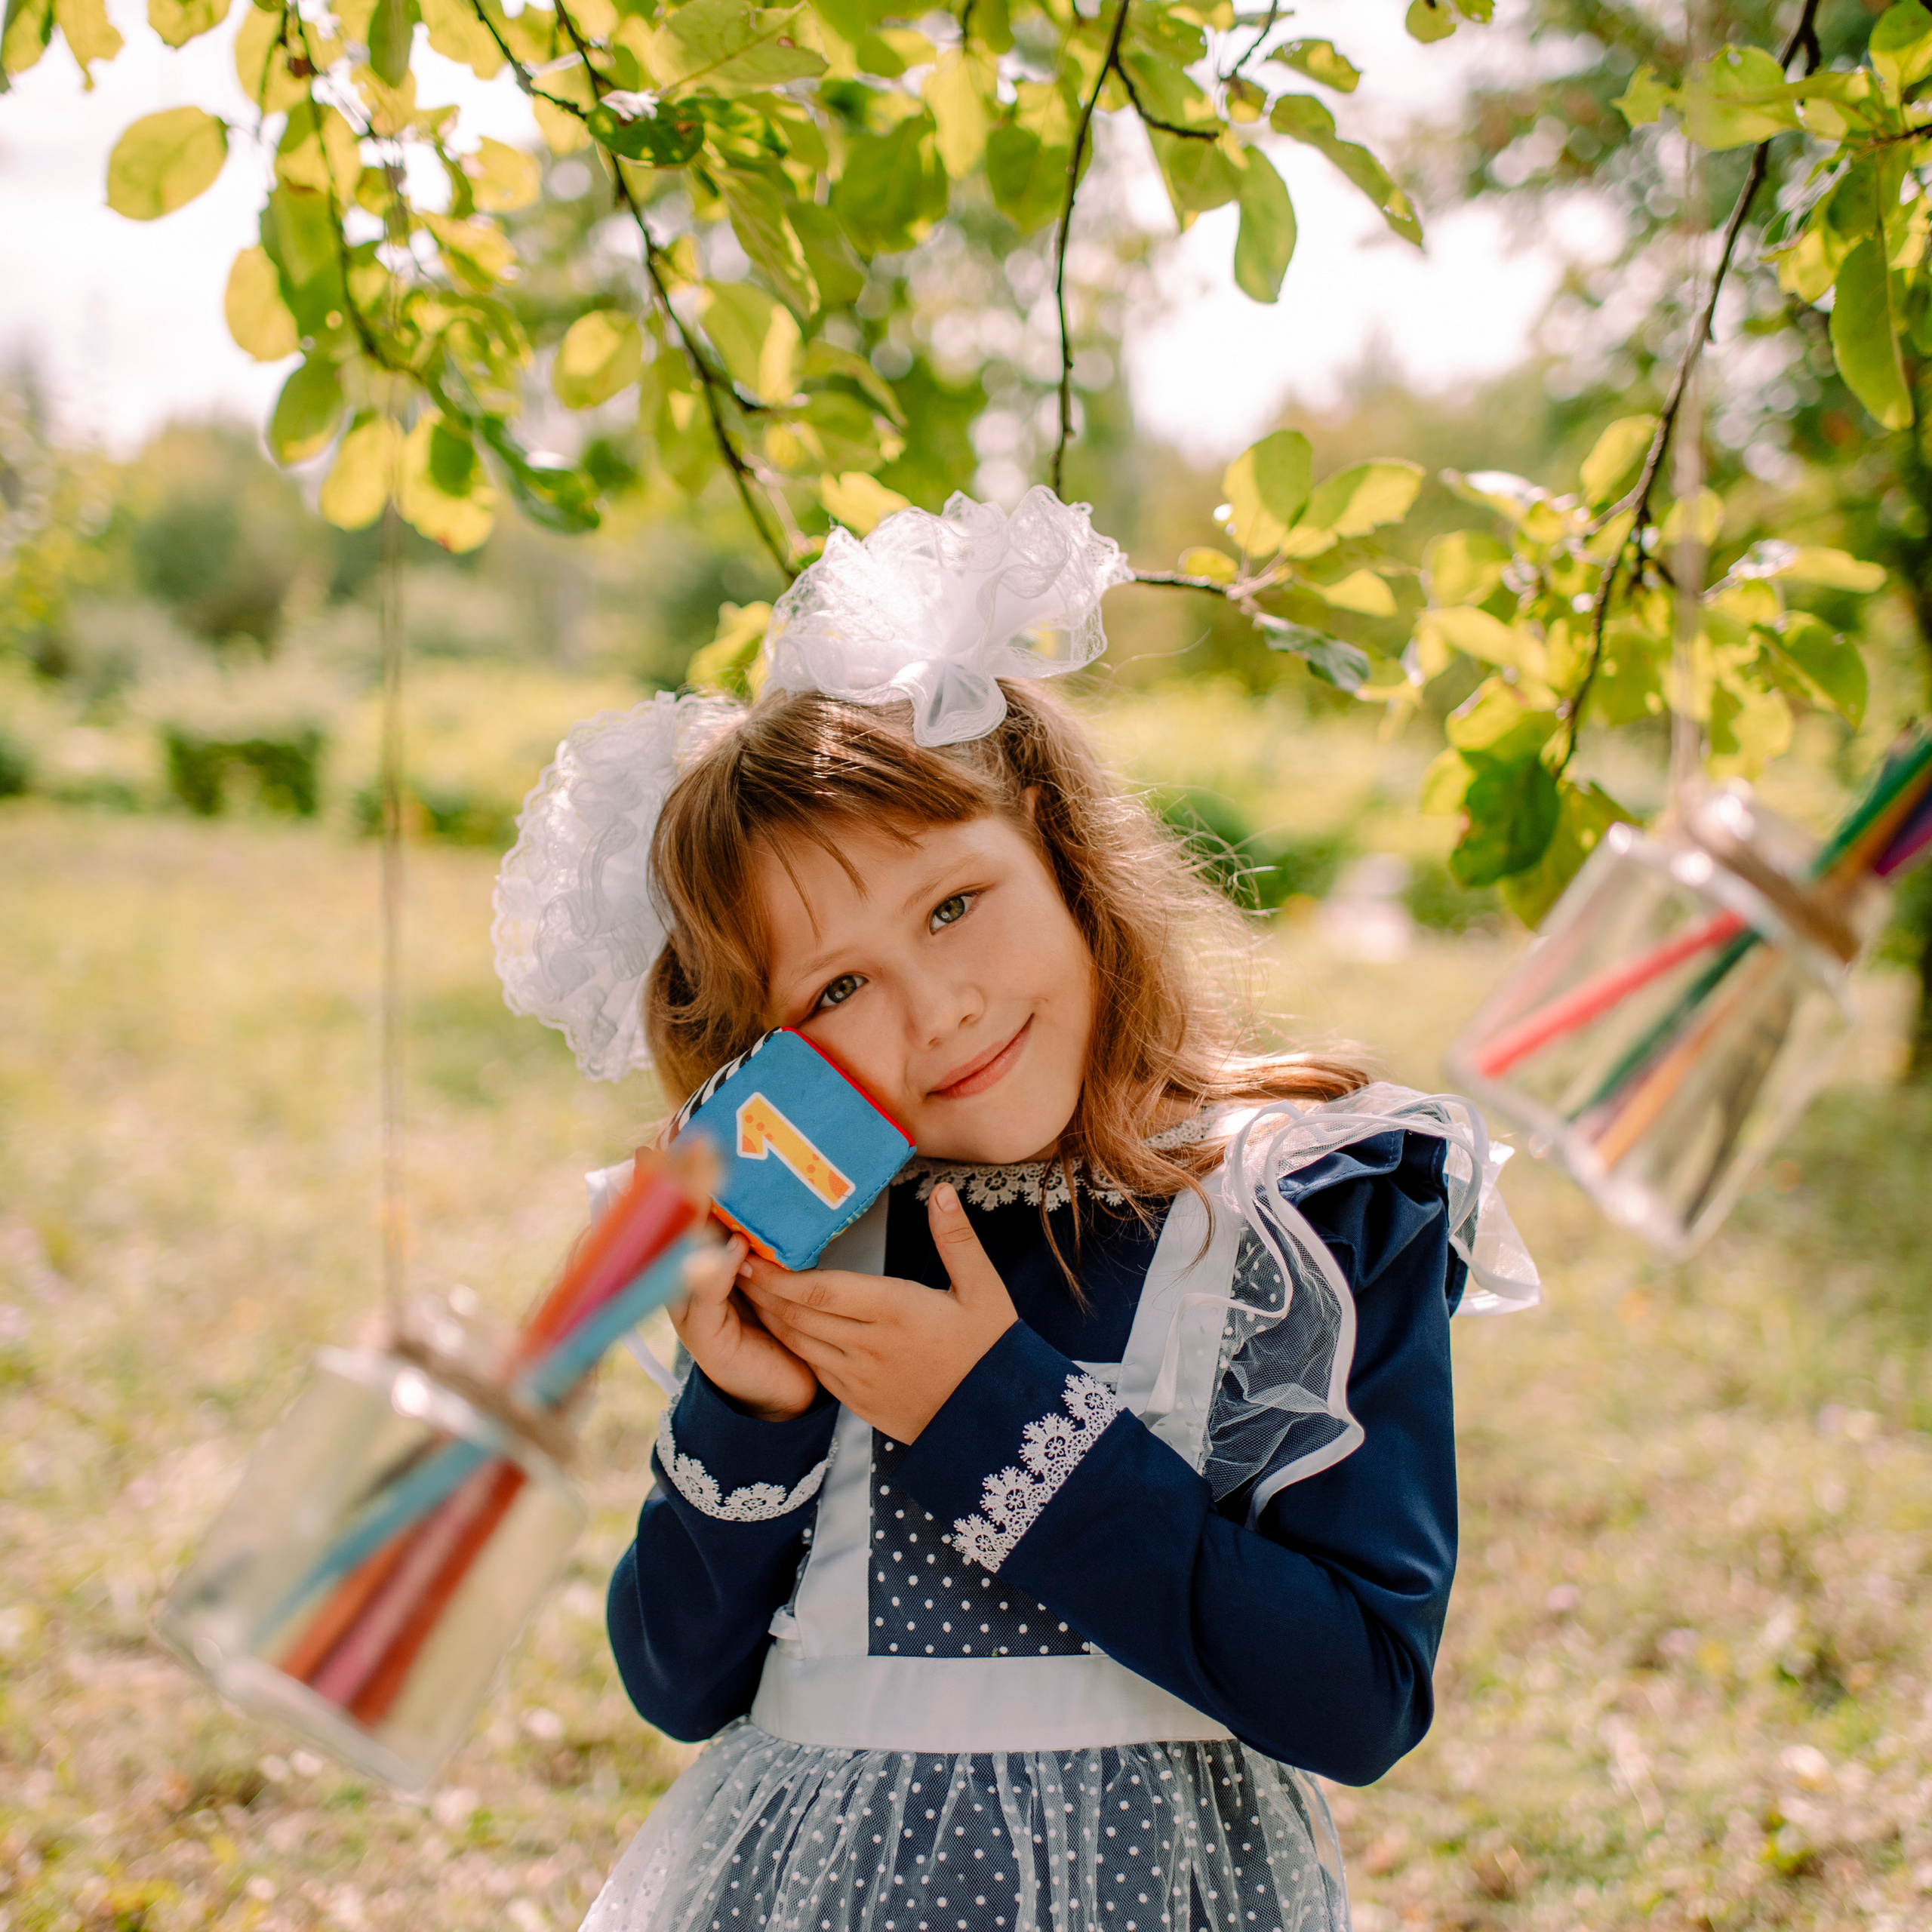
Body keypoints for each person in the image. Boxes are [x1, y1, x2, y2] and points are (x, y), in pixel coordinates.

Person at [491, 488, 1539, 1932]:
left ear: (1060, 852)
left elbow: (1358, 1696)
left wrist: (994, 1414)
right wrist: (747, 1408)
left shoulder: (1305, 1203)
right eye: (836, 989)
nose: (942, 1006)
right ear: (772, 1049)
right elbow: (678, 1684)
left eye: (952, 904)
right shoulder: (803, 1234)